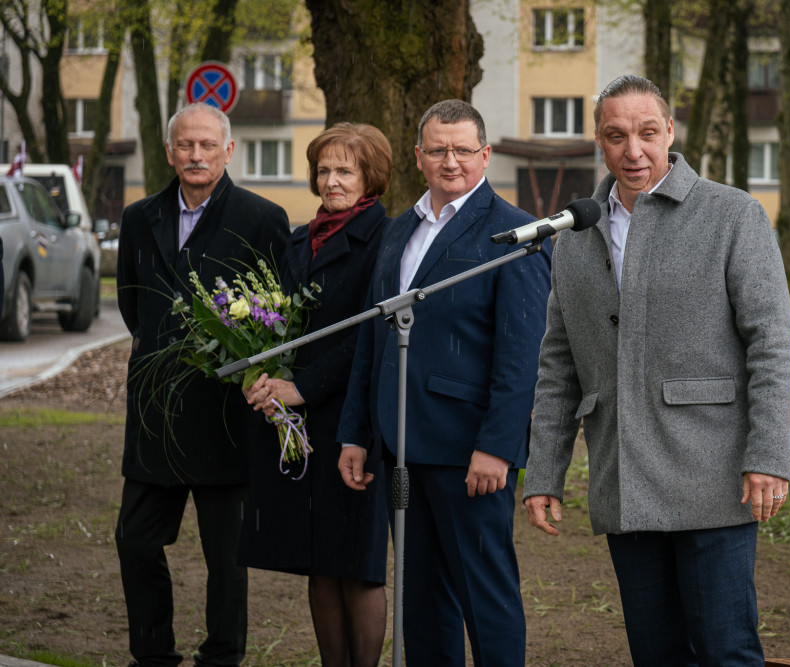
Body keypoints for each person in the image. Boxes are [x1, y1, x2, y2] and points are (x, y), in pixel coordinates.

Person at [522, 75, 790, 667]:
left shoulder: (732, 215)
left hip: (714, 477)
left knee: (726, 652)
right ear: (599, 141)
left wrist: (770, 456)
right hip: (625, 481)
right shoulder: (575, 234)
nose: (634, 151)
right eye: (616, 136)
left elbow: (773, 344)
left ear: (670, 132)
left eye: (647, 133)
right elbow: (559, 364)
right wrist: (543, 472)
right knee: (655, 655)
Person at [336, 99, 551, 667]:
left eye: (462, 150)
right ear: (418, 156)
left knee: (486, 596)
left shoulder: (516, 234)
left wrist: (498, 447)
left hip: (469, 453)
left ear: (485, 155)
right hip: (401, 446)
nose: (450, 161)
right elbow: (372, 338)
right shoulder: (399, 230)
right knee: (423, 601)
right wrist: (357, 432)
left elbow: (521, 357)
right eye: (437, 150)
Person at [115, 102, 290, 667]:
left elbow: (278, 314)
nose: (196, 155)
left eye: (207, 145)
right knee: (135, 539)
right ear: (170, 152)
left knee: (227, 556)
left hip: (225, 416)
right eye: (186, 145)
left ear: (228, 151)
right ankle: (153, 656)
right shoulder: (138, 217)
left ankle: (221, 658)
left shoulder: (262, 219)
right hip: (156, 414)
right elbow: (132, 303)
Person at [240, 123, 393, 667]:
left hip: (353, 417)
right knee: (320, 561)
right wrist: (262, 372)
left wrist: (302, 386)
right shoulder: (301, 237)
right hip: (297, 420)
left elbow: (369, 335)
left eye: (345, 170)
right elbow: (280, 322)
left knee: (357, 563)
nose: (332, 181)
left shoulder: (388, 238)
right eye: (323, 170)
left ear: (371, 176)